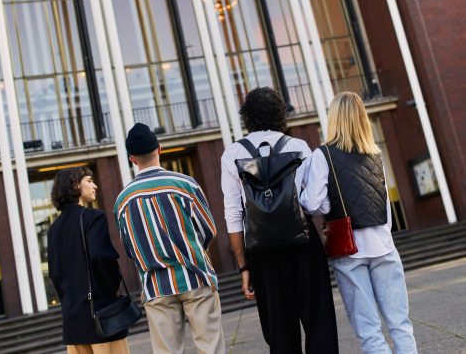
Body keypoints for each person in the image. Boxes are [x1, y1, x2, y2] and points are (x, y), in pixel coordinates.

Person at [221, 87, 339, 354]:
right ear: (280, 113)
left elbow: (233, 215)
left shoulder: (232, 155)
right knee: (319, 322)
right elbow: (314, 202)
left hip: (263, 252)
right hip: (303, 244)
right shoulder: (298, 147)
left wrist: (243, 266)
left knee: (279, 332)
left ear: (246, 117)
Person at [301, 91, 418, 354]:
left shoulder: (323, 155)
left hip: (349, 249)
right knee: (400, 324)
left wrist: (332, 206)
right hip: (383, 244)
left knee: (369, 331)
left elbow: (312, 203)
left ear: (334, 119)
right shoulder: (375, 153)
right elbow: (384, 203)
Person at [114, 123, 225, 354]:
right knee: (211, 347)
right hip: (195, 275)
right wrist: (190, 249)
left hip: (155, 285)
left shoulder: (123, 199)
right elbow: (208, 230)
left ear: (132, 159)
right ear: (160, 149)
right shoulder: (185, 184)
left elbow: (129, 247)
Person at [47, 166, 130, 354]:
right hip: (101, 315)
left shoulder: (54, 228)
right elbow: (103, 258)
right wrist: (111, 289)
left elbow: (54, 273)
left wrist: (69, 301)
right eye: (89, 181)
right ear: (75, 185)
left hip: (72, 319)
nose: (96, 186)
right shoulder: (93, 218)